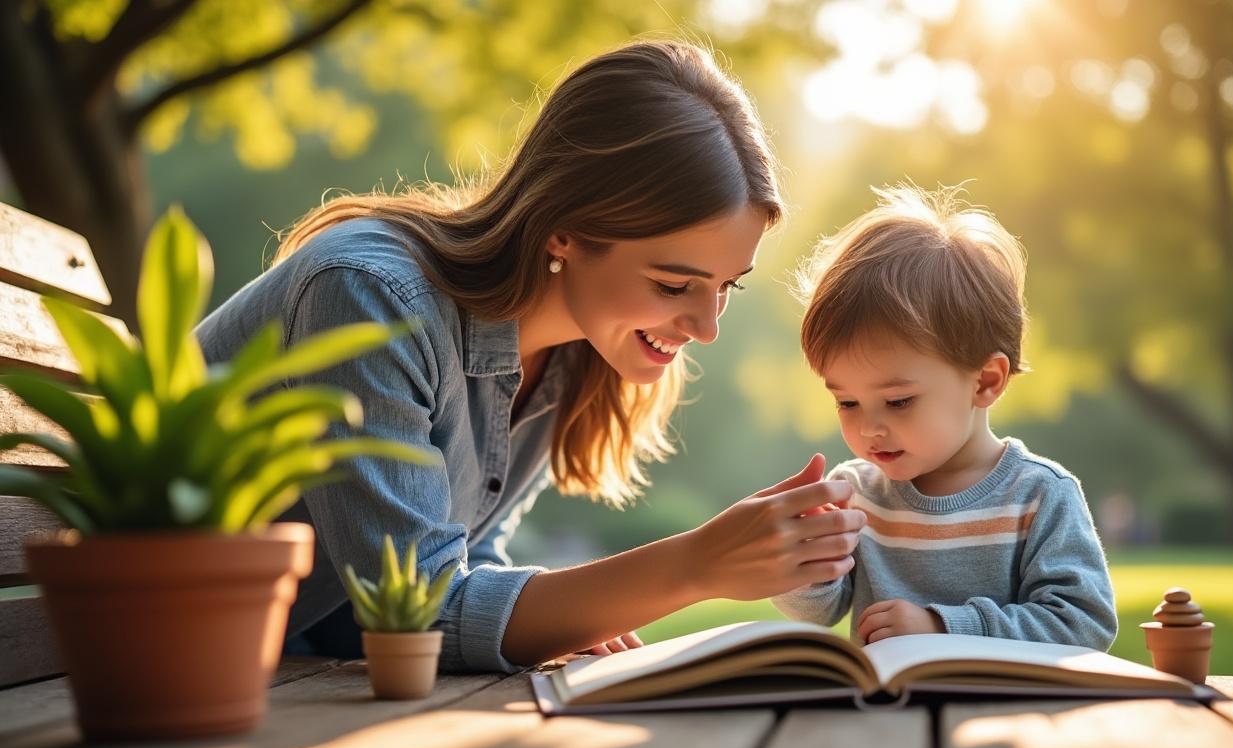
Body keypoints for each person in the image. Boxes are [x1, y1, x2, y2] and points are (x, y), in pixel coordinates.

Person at [195, 40, 863, 672]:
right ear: (564, 230)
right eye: (673, 285)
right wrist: (695, 565)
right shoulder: (371, 297)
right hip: (151, 659)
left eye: (726, 287)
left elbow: (454, 565)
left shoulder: (576, 354)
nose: (705, 327)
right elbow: (408, 614)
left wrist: (572, 617)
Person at [771, 185, 1118, 650]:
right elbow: (820, 612)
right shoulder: (858, 493)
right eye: (847, 403)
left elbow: (1084, 625)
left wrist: (943, 627)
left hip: (1004, 718)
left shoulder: (1038, 496)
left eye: (898, 402)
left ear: (985, 381)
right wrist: (803, 565)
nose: (869, 428)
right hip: (884, 717)